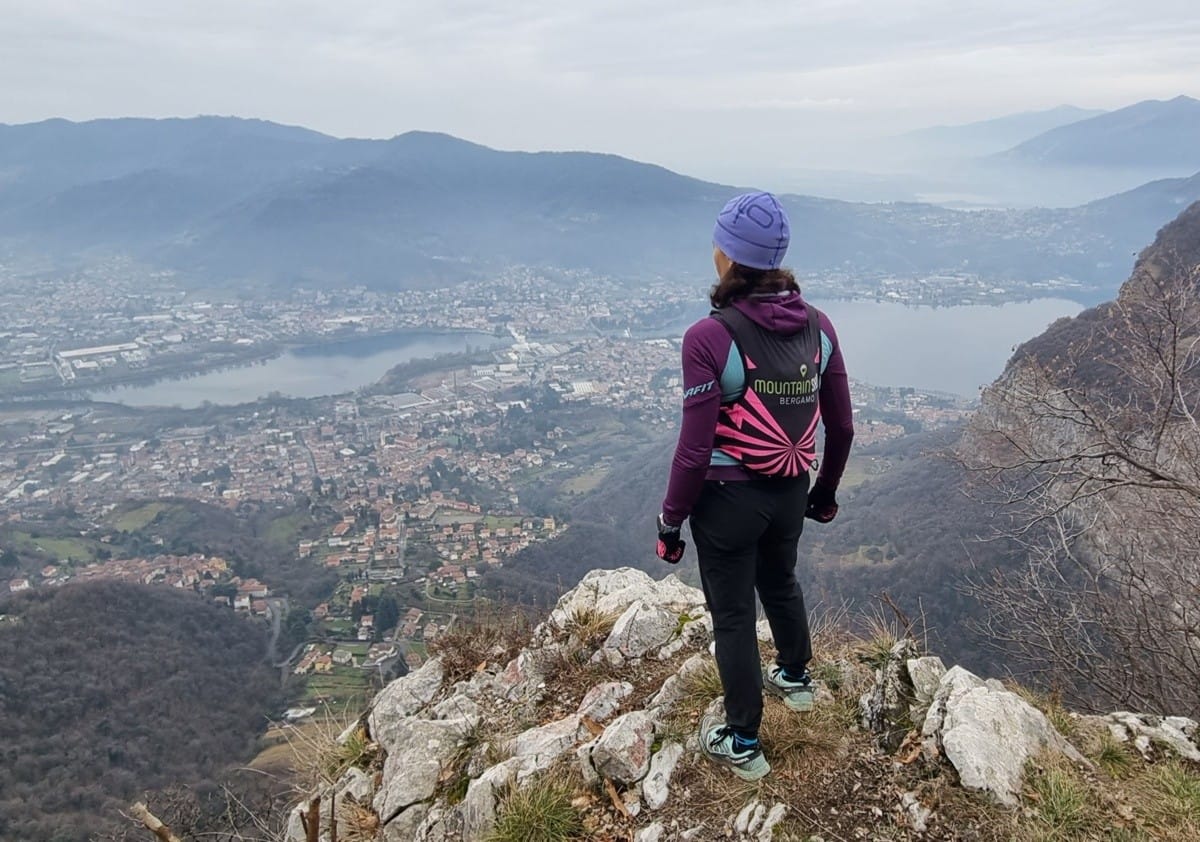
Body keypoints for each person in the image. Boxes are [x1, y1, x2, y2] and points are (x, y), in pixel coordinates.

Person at [656, 190, 854, 781]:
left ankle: (743, 740)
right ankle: (795, 677)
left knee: (734, 616)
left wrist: (670, 521)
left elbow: (695, 449)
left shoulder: (709, 337)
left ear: (727, 256)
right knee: (781, 580)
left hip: (726, 501)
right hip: (791, 490)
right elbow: (842, 425)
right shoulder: (819, 327)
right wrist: (825, 492)